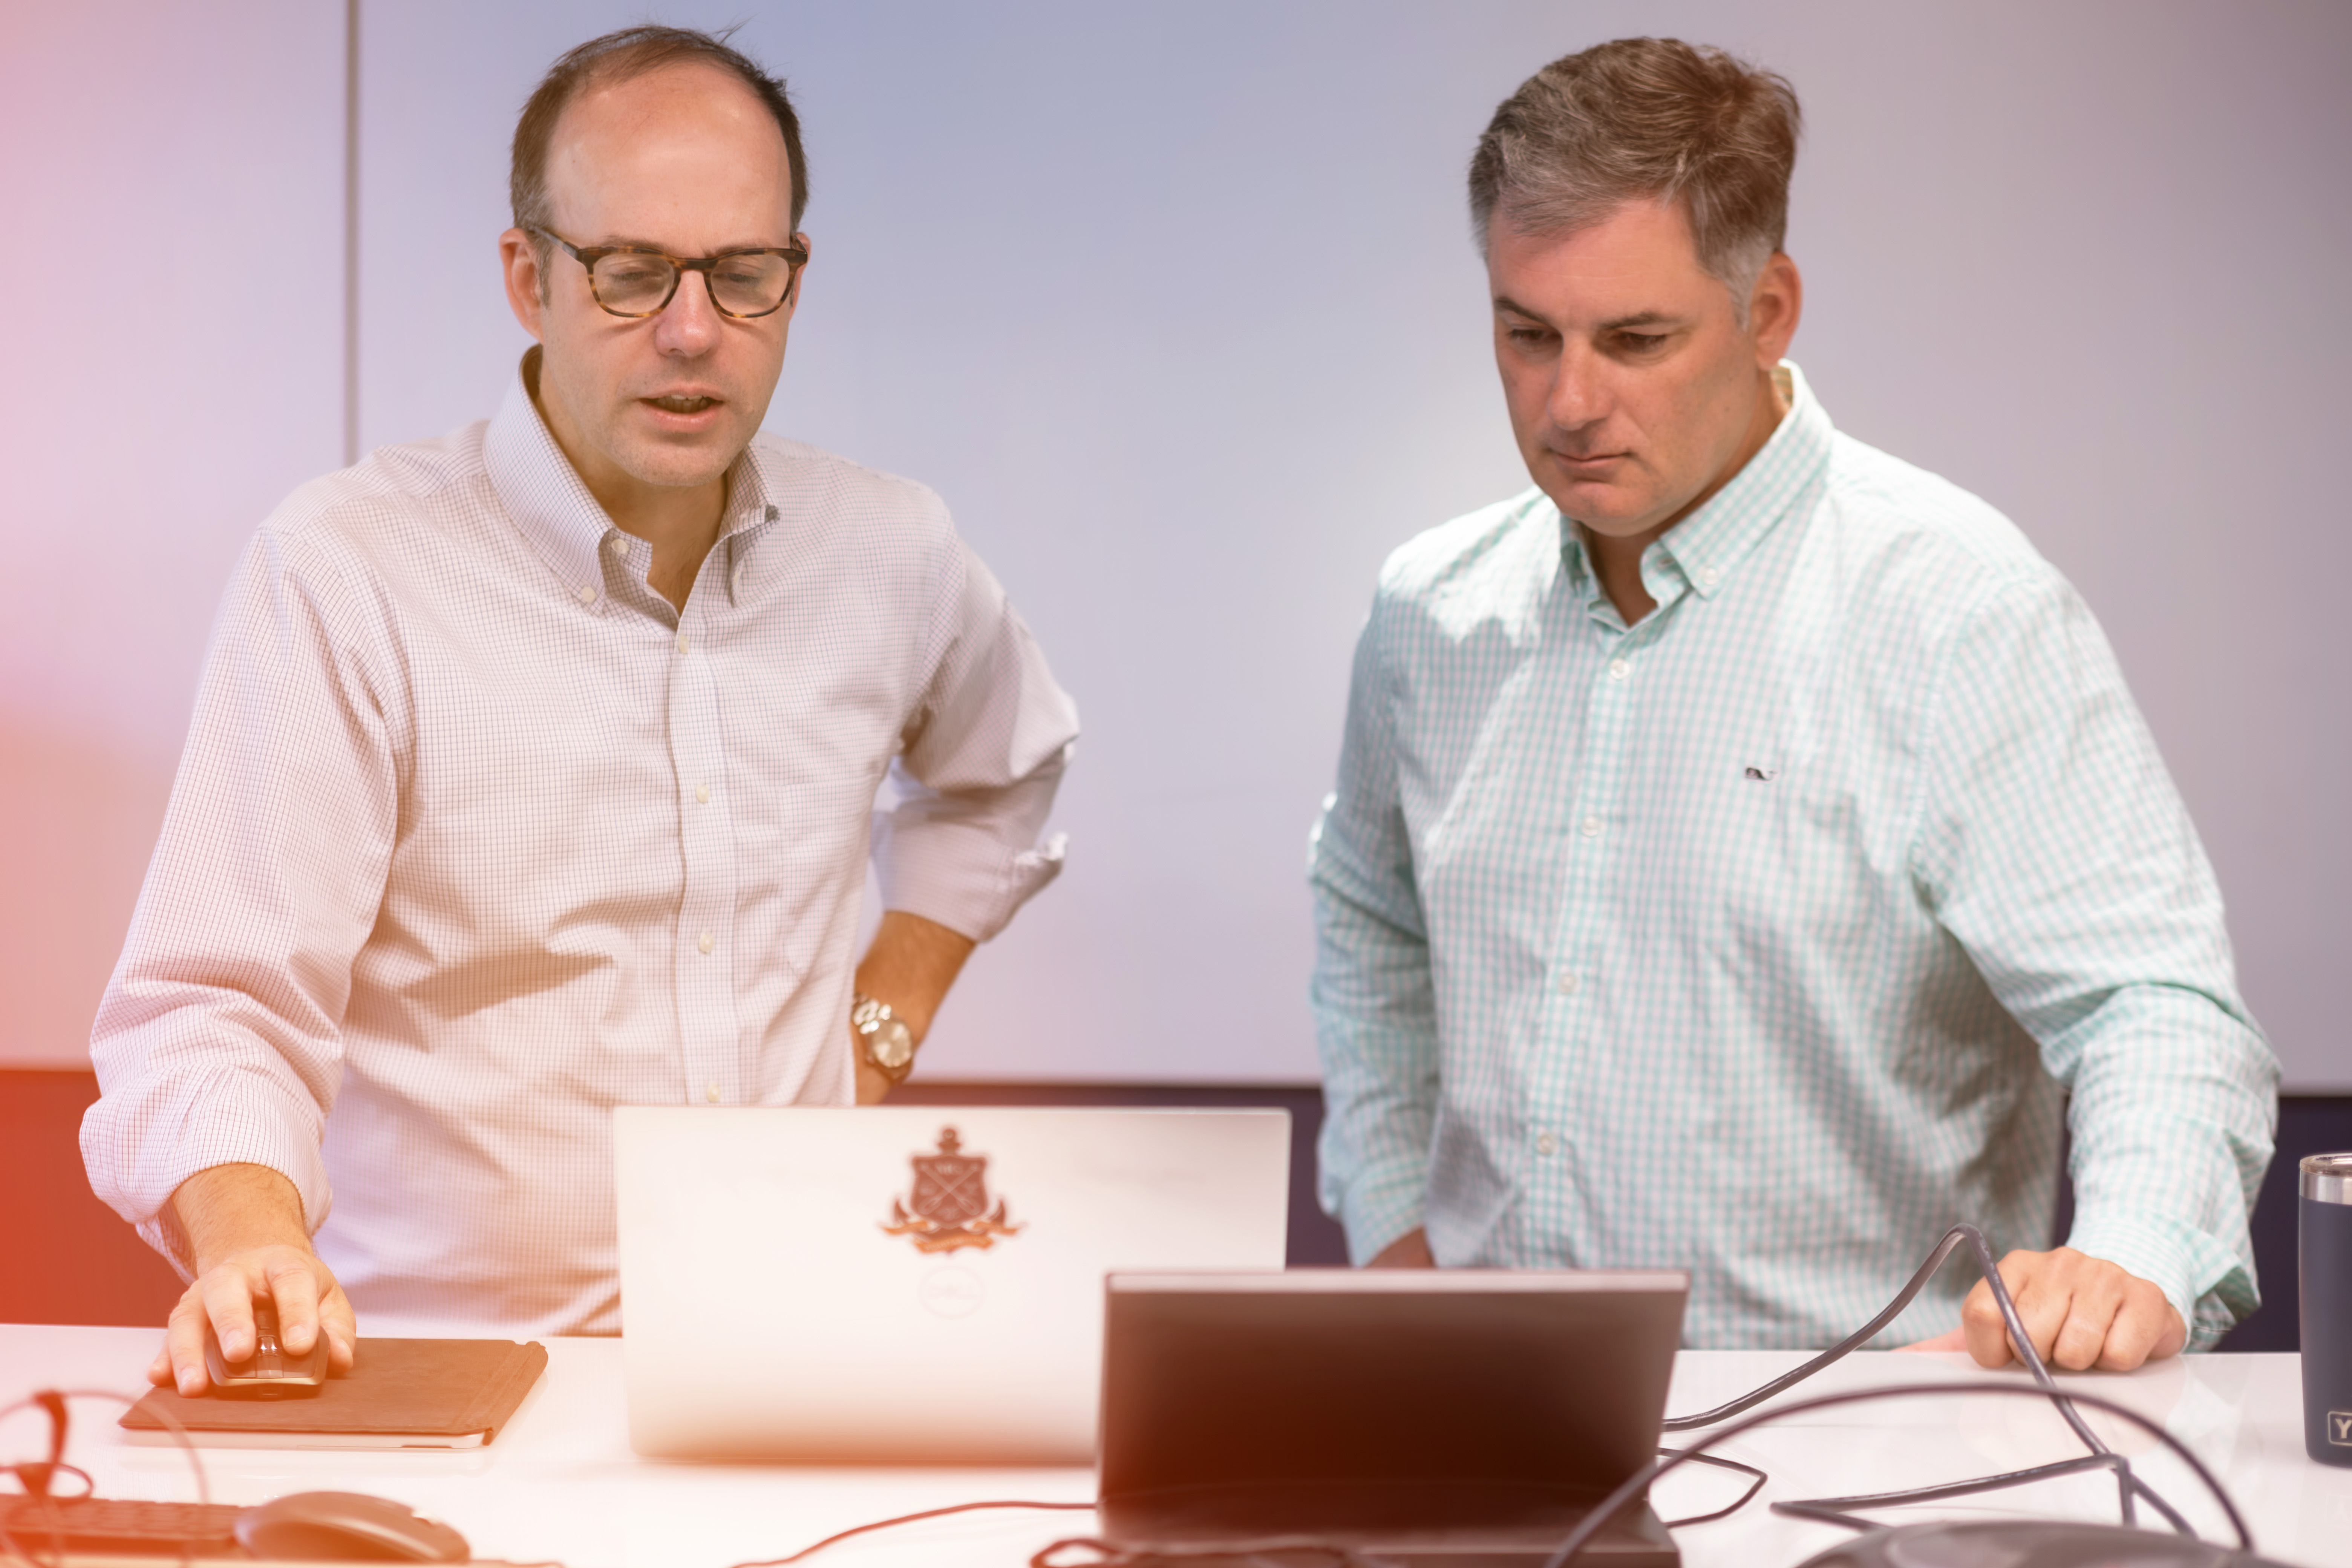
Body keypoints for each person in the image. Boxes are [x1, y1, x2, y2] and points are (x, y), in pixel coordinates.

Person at [82, 25, 1077, 1392]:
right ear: (528, 277)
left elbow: (1002, 775)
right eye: (629, 275)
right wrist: (252, 1237)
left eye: (743, 277)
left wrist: (879, 1032)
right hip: (450, 1376)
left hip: (802, 1356)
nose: (691, 331)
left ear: (795, 280)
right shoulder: (347, 570)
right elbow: (209, 1004)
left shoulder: (891, 553)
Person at [1308, 37, 2275, 1368]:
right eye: (1527, 334)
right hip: (1487, 1423)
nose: (1569, 402)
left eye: (1637, 339)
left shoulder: (1957, 610)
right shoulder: (1430, 613)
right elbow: (1371, 924)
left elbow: (2152, 1004)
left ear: (1767, 311)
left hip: (1867, 1444)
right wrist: (1397, 1240)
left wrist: (2135, 1254)